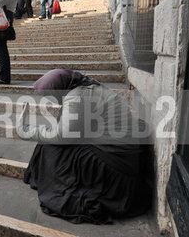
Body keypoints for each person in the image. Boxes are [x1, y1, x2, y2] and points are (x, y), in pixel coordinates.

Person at [17, 69, 152, 224]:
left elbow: (62, 136)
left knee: (50, 148)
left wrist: (24, 130)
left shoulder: (77, 96)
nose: (49, 99)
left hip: (117, 165)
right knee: (52, 142)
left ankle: (57, 184)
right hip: (121, 156)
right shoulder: (87, 86)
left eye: (49, 94)